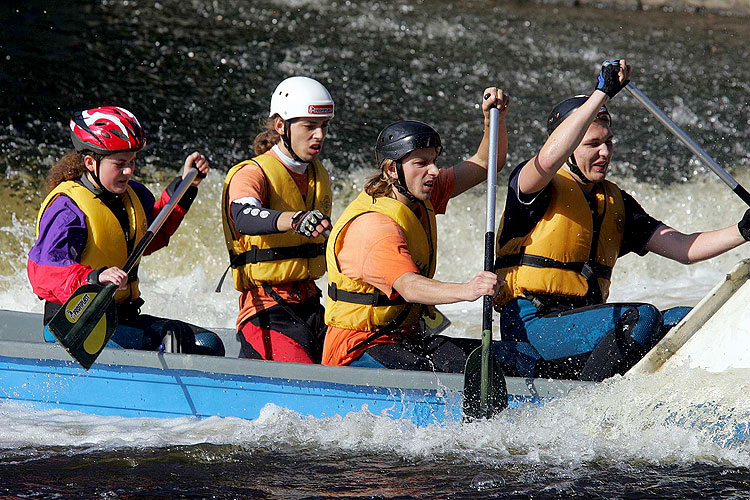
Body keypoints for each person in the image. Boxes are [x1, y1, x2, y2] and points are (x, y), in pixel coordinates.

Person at [493, 59, 750, 381]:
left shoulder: (615, 202)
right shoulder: (533, 185)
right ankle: (591, 405)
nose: (604, 152)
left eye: (608, 142)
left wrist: (744, 230)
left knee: (692, 319)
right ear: (570, 147)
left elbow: (685, 248)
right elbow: (547, 158)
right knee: (640, 317)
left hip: (585, 324)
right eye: (592, 144)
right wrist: (602, 93)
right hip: (535, 326)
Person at [322, 87, 509, 372]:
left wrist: (492, 121)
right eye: (422, 163)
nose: (433, 170)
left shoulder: (420, 194)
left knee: (500, 361)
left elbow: (485, 164)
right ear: (392, 170)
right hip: (360, 347)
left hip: (404, 337)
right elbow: (408, 287)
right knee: (442, 376)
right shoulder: (375, 226)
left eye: (434, 161)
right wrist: (469, 289)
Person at [28, 106, 225, 356]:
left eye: (132, 162)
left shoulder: (134, 194)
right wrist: (93, 278)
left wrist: (186, 185)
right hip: (74, 324)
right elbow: (43, 273)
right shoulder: (67, 209)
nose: (129, 171)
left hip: (120, 319)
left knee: (207, 343)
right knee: (175, 341)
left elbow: (152, 235)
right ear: (90, 162)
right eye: (119, 164)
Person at [220, 76, 334, 363]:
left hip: (312, 307)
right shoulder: (251, 173)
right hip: (267, 313)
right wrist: (294, 220)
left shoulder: (318, 175)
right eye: (309, 126)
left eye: (323, 126)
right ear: (281, 126)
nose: (319, 135)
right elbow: (243, 216)